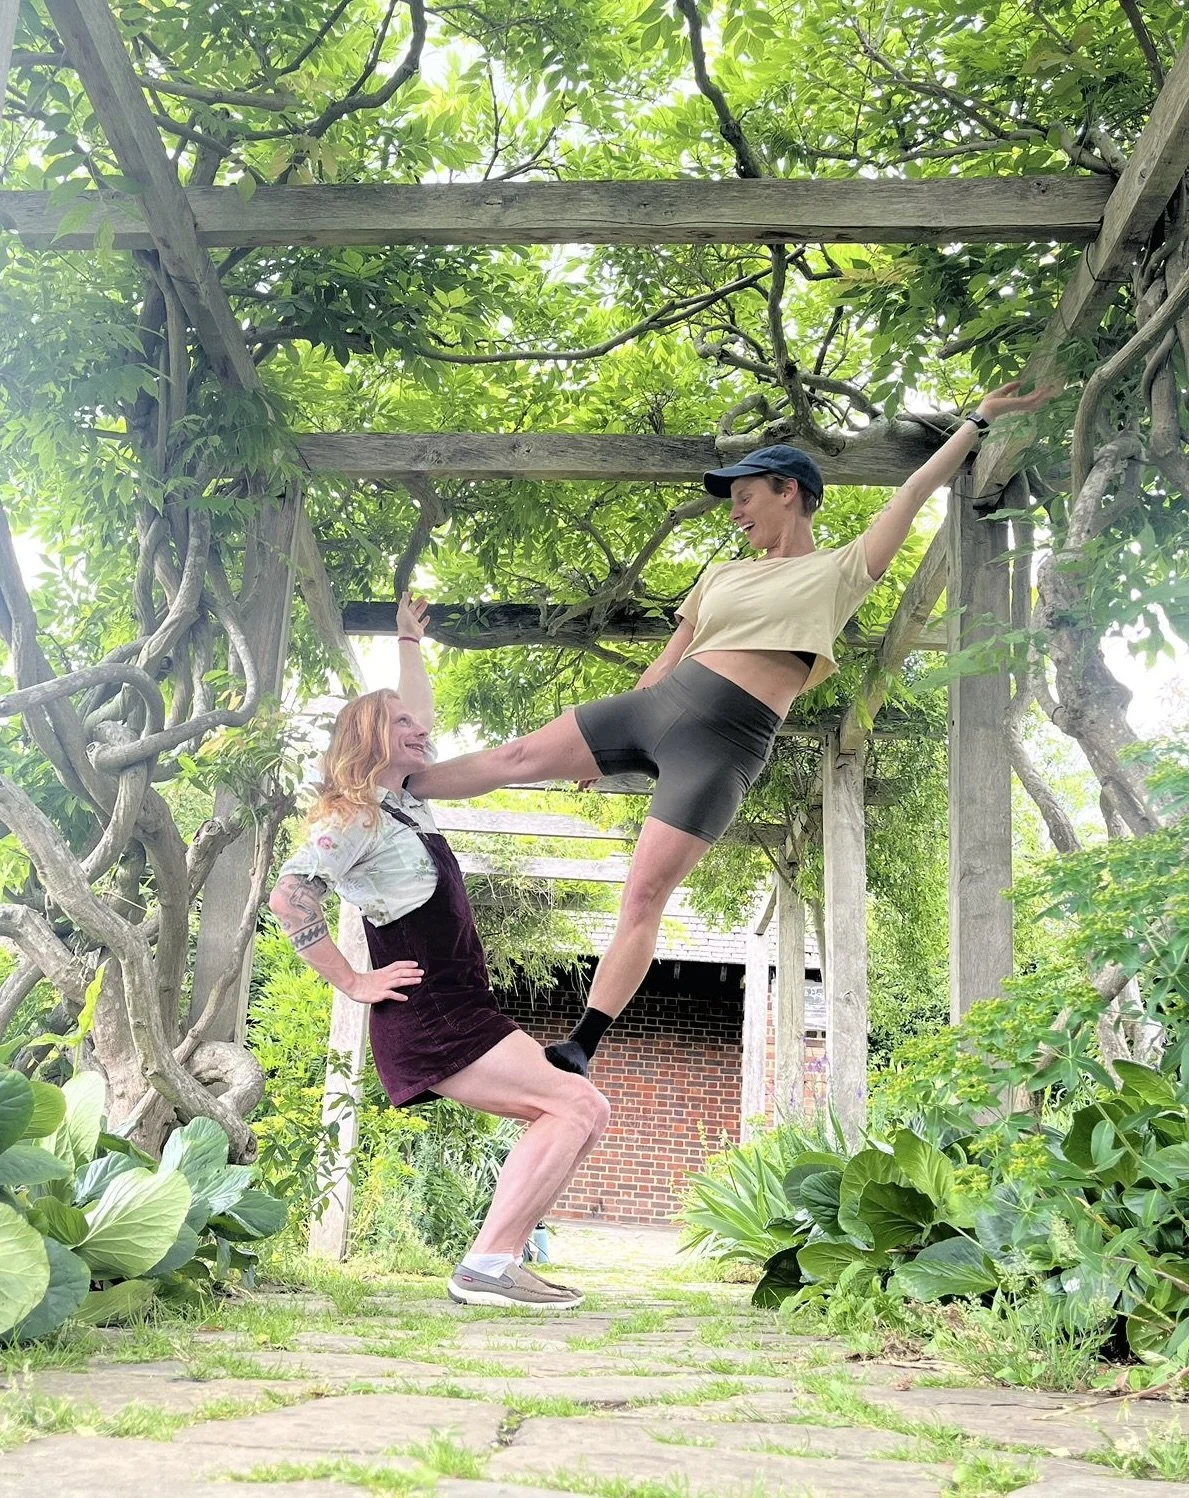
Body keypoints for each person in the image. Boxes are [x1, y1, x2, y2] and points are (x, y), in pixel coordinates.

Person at [406, 382, 1056, 1077]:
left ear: (786, 489)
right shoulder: (720, 574)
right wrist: (608, 750)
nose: (735, 511)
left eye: (743, 495)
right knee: (516, 755)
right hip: (657, 707)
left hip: (724, 744)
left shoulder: (842, 570)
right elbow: (667, 659)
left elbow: (914, 491)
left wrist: (977, 420)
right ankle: (399, 786)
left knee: (645, 894)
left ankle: (581, 1043)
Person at [268, 593, 610, 1310]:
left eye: (416, 724)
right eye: (400, 725)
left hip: (458, 1008)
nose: (419, 731)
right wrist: (352, 982)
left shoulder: (405, 802)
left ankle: (494, 1259)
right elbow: (290, 896)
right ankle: (486, 1265)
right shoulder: (353, 816)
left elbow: (414, 713)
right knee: (575, 1105)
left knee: (578, 1109)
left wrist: (407, 644)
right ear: (369, 737)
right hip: (427, 1013)